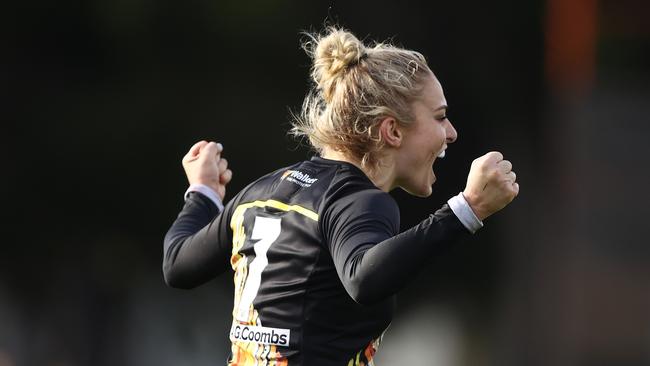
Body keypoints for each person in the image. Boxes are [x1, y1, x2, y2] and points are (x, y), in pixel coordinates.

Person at [163, 27, 518, 366]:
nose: (452, 133)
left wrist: (203, 194)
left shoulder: (261, 191)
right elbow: (364, 279)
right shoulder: (361, 201)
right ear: (392, 130)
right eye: (440, 117)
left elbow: (178, 263)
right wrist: (467, 209)